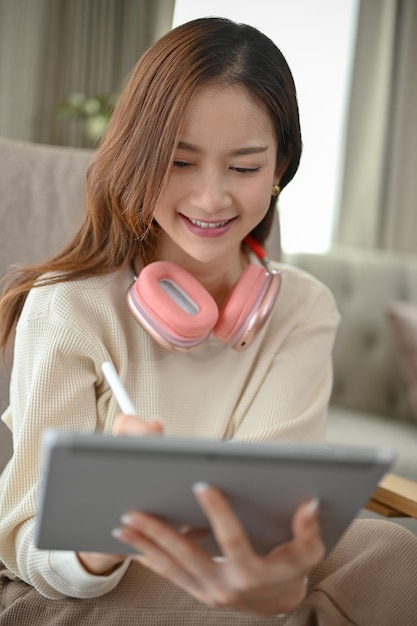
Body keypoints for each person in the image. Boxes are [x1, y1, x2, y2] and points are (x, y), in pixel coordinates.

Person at [0, 16, 416, 626]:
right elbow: (21, 534)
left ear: (280, 169)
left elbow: (270, 518)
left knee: (395, 553)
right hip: (76, 584)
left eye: (244, 168)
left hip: (229, 560)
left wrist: (273, 583)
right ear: (140, 158)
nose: (211, 198)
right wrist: (102, 522)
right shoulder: (69, 305)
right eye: (180, 162)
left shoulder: (301, 309)